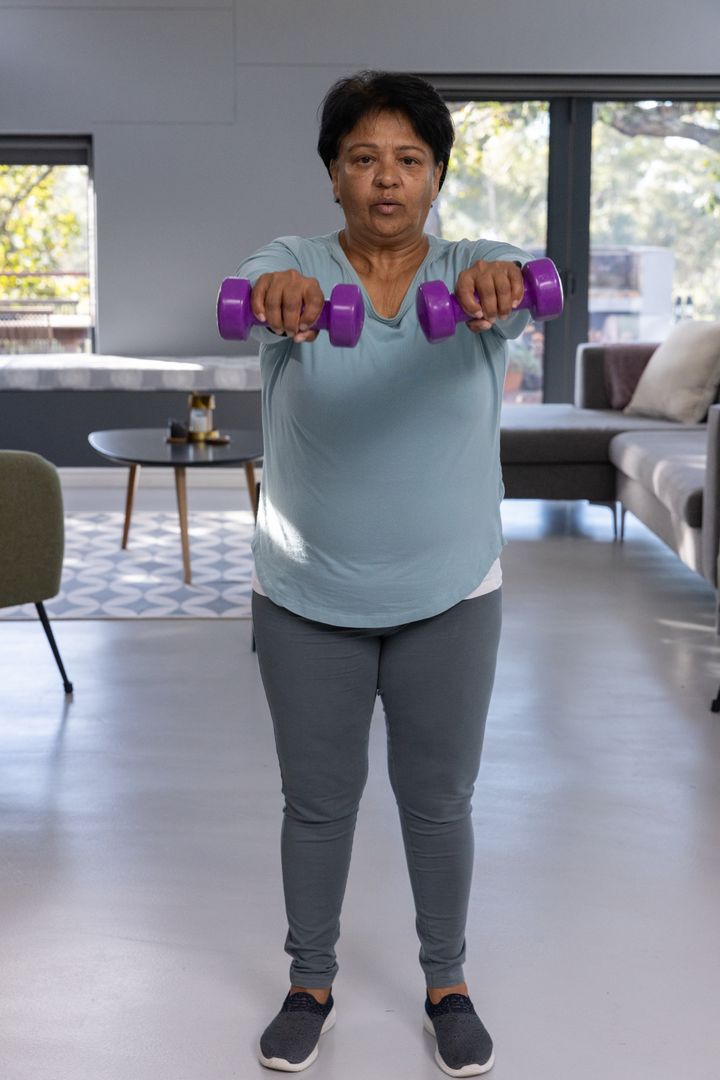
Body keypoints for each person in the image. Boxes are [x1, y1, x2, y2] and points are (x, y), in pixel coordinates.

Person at [237, 70, 532, 1076]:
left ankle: (447, 983)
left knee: (439, 801)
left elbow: (512, 272)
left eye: (409, 158)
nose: (387, 178)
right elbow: (258, 285)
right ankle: (309, 983)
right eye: (363, 158)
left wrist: (504, 282)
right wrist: (281, 299)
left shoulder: (471, 269)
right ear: (333, 175)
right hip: (305, 592)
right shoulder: (294, 266)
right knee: (317, 803)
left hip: (451, 591)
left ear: (437, 174)